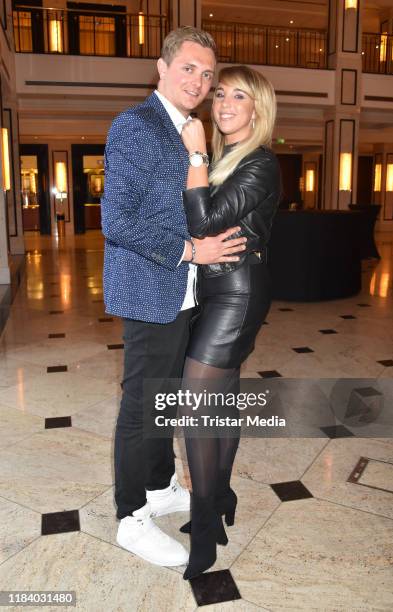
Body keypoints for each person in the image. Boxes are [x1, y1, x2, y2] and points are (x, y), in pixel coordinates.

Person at [100, 27, 247, 569]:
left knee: (164, 397)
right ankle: (130, 515)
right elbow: (117, 221)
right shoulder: (135, 126)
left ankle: (159, 485)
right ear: (161, 70)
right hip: (150, 286)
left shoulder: (191, 129)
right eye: (189, 68)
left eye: (208, 74)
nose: (200, 81)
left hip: (184, 290)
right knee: (142, 403)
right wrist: (190, 251)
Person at [178, 65, 281, 579]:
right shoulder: (229, 160)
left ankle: (204, 523)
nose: (223, 103)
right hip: (218, 291)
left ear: (257, 110)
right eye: (220, 94)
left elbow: (202, 223)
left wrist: (196, 154)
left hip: (237, 296)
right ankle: (220, 500)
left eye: (239, 96)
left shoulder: (260, 164)